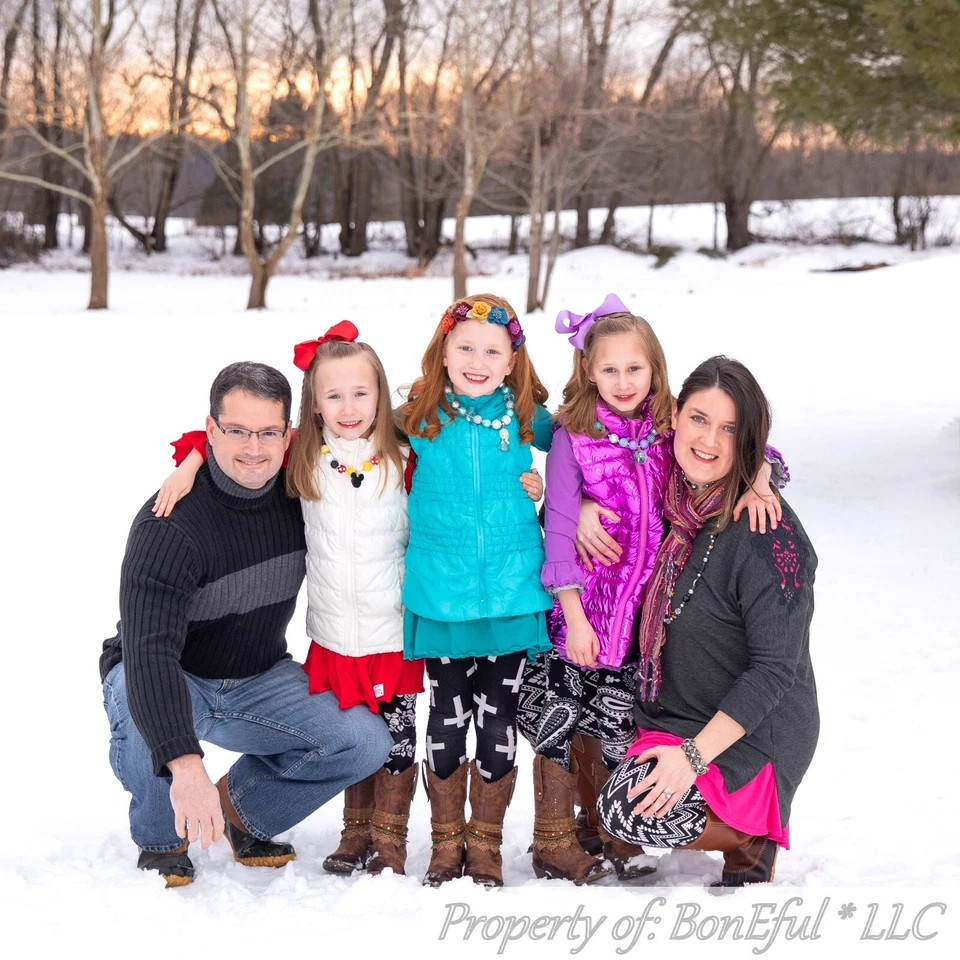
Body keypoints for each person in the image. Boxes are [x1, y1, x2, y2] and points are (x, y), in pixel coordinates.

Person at [100, 361, 393, 887]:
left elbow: (371, 425)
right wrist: (186, 766)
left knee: (363, 740)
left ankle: (242, 813)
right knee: (143, 705)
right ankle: (163, 837)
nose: (252, 448)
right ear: (211, 430)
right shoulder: (168, 526)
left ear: (289, 435)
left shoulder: (307, 492)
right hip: (171, 674)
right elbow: (150, 654)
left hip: (258, 677)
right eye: (235, 431)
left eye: (267, 433)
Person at [529, 296, 785, 885]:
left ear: (655, 370)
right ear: (588, 371)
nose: (622, 382)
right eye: (609, 369)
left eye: (634, 369)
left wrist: (764, 477)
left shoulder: (672, 422)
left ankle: (618, 833)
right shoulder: (573, 436)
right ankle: (561, 836)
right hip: (586, 611)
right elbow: (562, 528)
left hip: (649, 616)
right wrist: (574, 615)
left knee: (624, 720)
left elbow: (750, 448)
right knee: (568, 718)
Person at [594, 355, 818, 888]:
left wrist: (691, 758)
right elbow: (593, 459)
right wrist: (583, 507)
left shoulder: (769, 533)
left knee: (629, 809)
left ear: (749, 442)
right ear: (674, 415)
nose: (710, 441)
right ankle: (592, 831)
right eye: (699, 419)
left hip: (749, 730)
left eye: (730, 430)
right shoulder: (669, 492)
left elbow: (773, 671)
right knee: (572, 696)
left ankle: (749, 836)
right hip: (676, 706)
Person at [400, 293, 553, 888]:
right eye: (465, 347)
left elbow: (588, 442)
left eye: (493, 351)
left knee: (498, 719)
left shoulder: (524, 417)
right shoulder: (419, 415)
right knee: (444, 715)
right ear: (443, 352)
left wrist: (550, 489)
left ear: (513, 360)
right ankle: (445, 842)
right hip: (443, 595)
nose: (478, 360)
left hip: (512, 593)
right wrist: (190, 461)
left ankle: (484, 843)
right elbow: (341, 429)